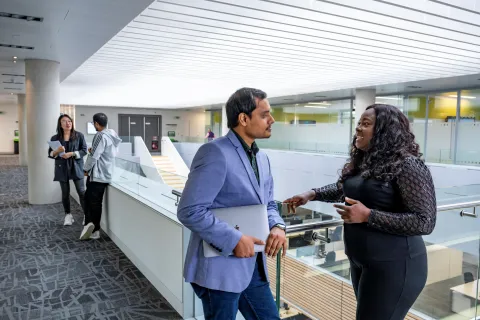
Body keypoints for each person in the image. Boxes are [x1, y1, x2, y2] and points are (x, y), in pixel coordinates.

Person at [284, 104, 437, 320]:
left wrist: (368, 215)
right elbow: (345, 190)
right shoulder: (367, 162)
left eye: (366, 124)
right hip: (363, 262)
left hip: (396, 264)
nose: (358, 128)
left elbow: (425, 221)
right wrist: (312, 194)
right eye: (358, 123)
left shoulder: (409, 165)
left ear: (385, 131)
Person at [177, 88, 287, 320]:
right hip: (220, 268)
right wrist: (234, 239)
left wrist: (277, 226)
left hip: (254, 268)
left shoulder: (262, 158)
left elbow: (268, 203)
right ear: (244, 119)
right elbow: (190, 210)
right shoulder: (214, 152)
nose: (272, 120)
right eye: (265, 114)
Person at [80, 113, 121, 240]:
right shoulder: (112, 135)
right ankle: (89, 223)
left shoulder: (100, 135)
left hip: (97, 174)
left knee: (94, 202)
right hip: (107, 172)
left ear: (96, 123)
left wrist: (86, 169)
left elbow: (94, 156)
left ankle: (95, 229)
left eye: (94, 124)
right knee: (90, 199)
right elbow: (106, 153)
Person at [48, 114, 87, 226]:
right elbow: (50, 154)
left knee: (81, 192)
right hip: (62, 167)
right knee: (65, 193)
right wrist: (57, 151)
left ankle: (86, 215)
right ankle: (68, 215)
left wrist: (72, 153)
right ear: (60, 124)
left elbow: (84, 151)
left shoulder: (79, 135)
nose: (67, 123)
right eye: (64, 121)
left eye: (69, 121)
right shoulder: (55, 138)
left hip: (76, 166)